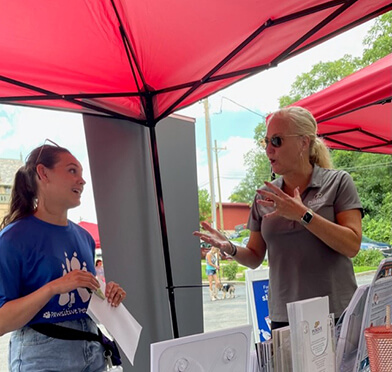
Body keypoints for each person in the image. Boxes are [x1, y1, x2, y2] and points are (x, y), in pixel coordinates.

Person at [194, 106, 363, 330]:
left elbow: (352, 245)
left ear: (304, 142)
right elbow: (254, 257)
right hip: (284, 317)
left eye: (276, 141)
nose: (268, 150)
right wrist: (230, 248)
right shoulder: (264, 196)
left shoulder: (338, 182)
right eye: (265, 142)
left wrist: (303, 215)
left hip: (336, 312)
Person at [0, 142, 127, 371]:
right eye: (72, 171)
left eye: (81, 173)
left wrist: (106, 294)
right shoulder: (12, 239)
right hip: (43, 354)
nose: (82, 180)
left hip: (92, 349)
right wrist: (53, 287)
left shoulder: (84, 237)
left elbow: (84, 295)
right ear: (43, 173)